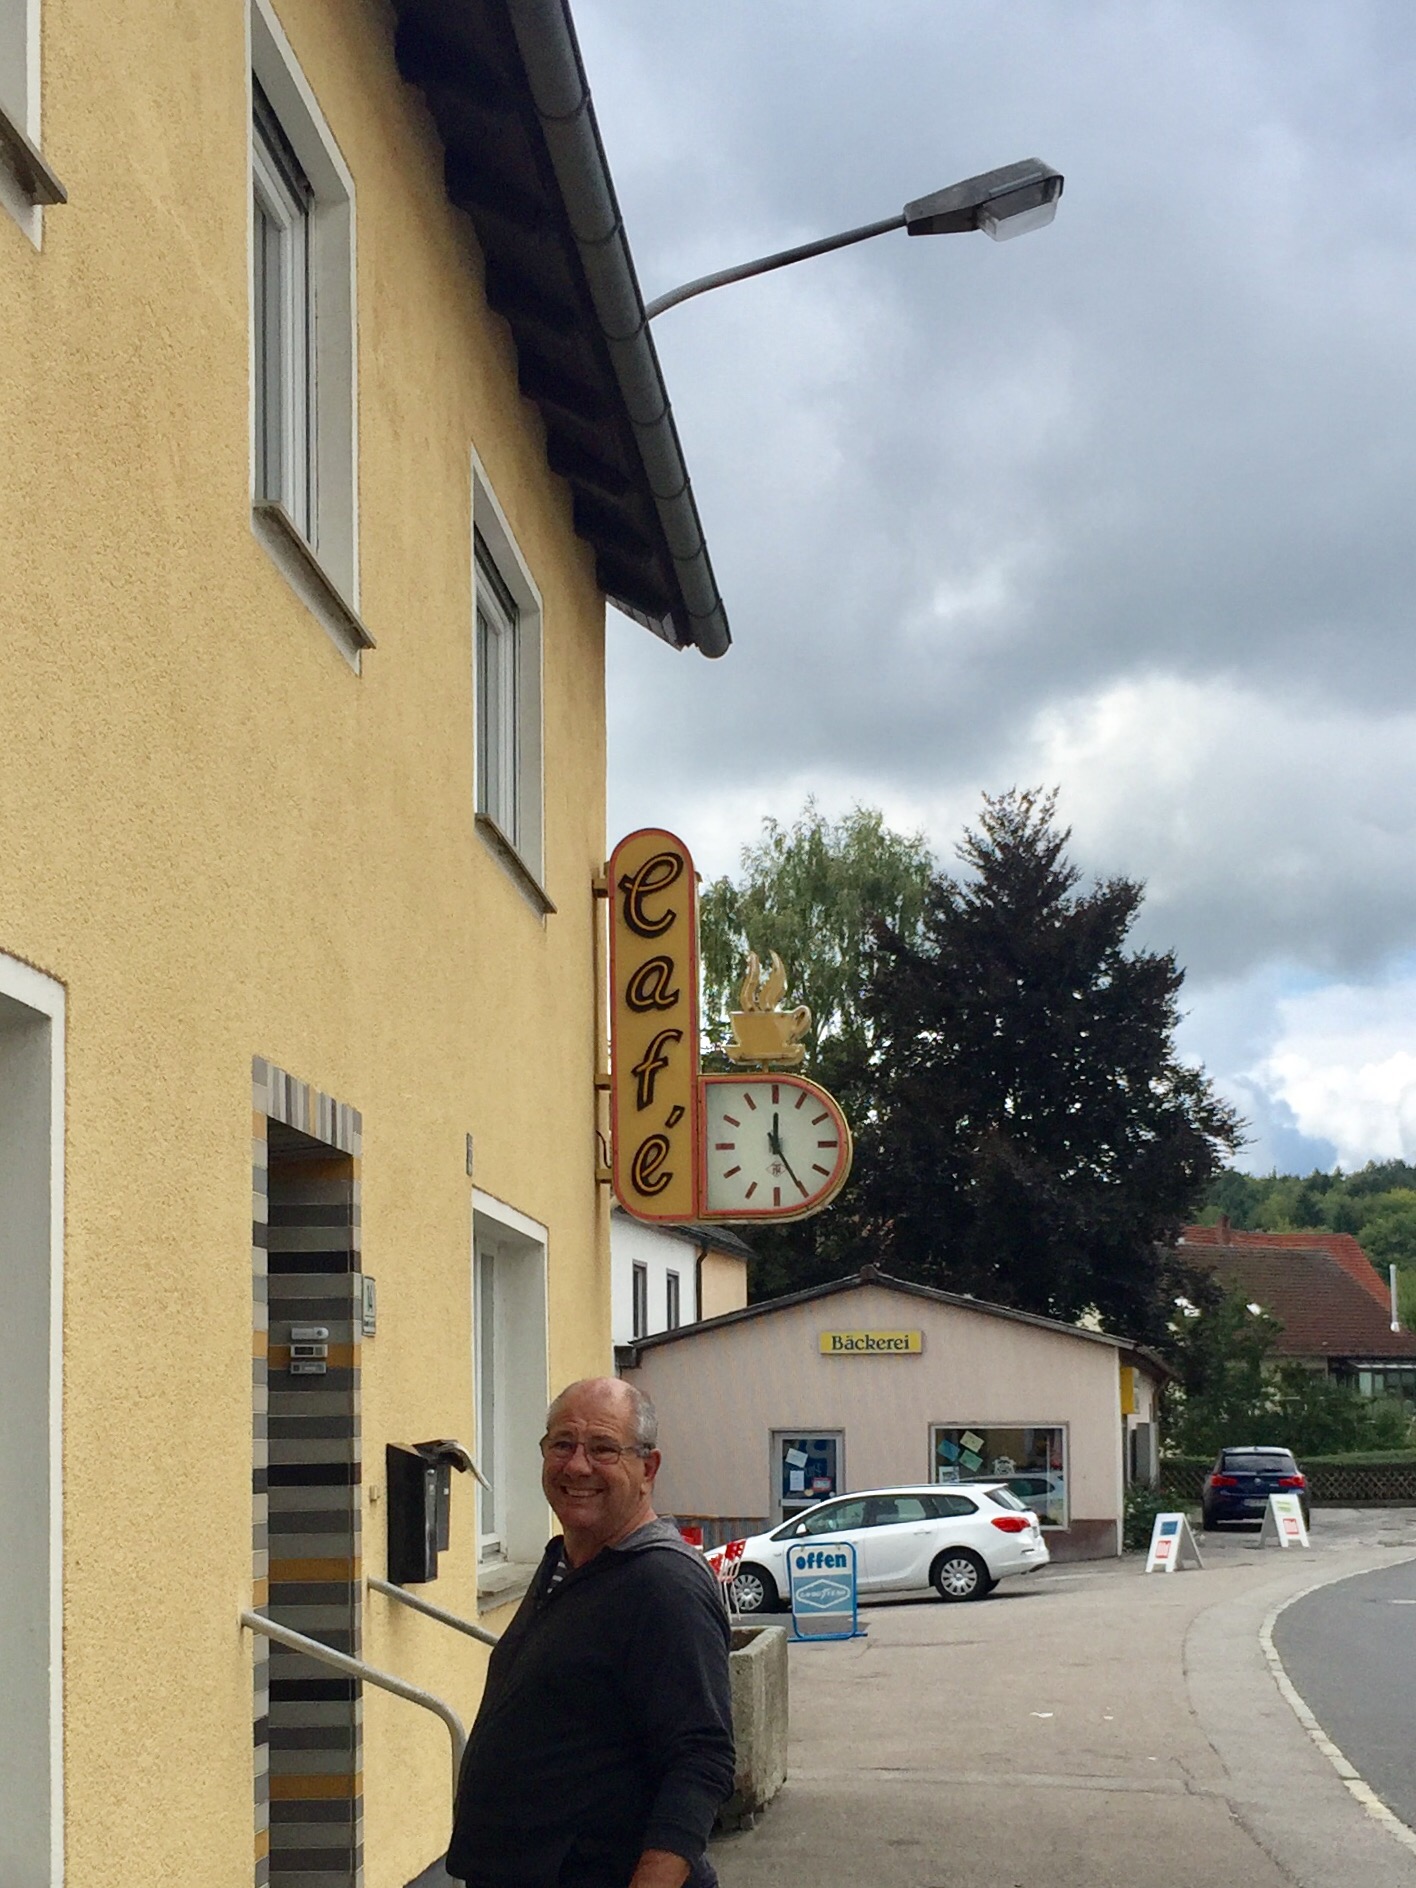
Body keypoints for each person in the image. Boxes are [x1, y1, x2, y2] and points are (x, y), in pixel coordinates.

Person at [446, 1377, 735, 1888]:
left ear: (648, 1469)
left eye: (603, 1448)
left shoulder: (663, 1583)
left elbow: (700, 1760)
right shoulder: (567, 1562)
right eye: (562, 1444)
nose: (577, 1466)